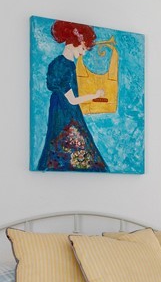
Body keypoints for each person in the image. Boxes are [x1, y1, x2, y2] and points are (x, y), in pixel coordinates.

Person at [36, 20, 109, 171]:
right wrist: (94, 95)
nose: (82, 53)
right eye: (83, 48)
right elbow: (73, 100)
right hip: (66, 115)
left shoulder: (64, 64)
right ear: (75, 43)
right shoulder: (63, 66)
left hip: (63, 112)